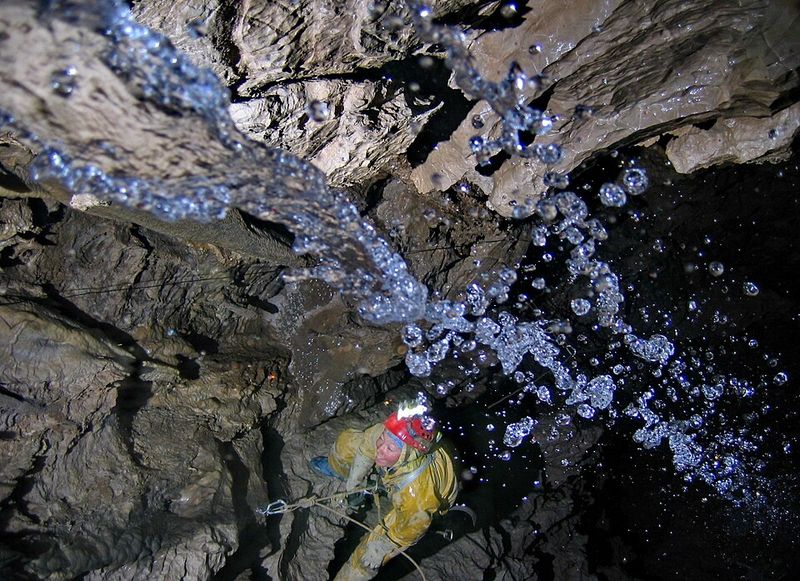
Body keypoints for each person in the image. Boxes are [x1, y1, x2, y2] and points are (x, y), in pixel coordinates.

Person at [309, 399, 458, 581]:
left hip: (421, 503)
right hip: (397, 473)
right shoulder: (392, 432)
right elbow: (367, 447)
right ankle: (337, 468)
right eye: (383, 439)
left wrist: (384, 546)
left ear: (407, 454)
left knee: (367, 556)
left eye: (390, 448)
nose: (380, 449)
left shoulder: (417, 493)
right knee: (347, 443)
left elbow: (412, 528)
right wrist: (354, 484)